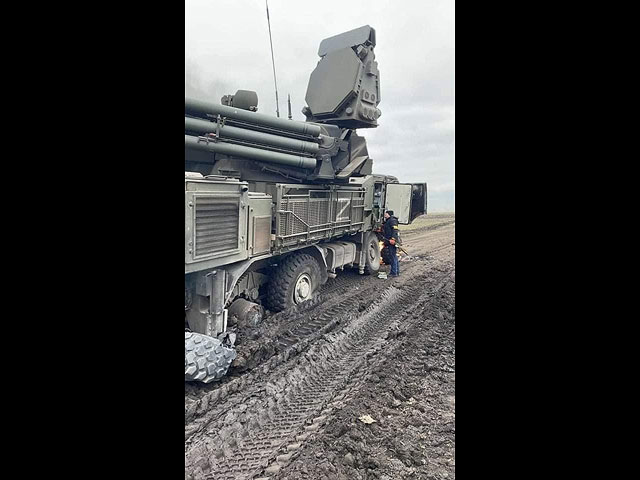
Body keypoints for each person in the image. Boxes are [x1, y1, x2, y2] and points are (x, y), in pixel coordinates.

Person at [382, 210, 400, 277]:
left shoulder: (392, 221)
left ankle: (393, 273)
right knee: (394, 257)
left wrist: (393, 239)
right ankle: (396, 272)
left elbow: (395, 230)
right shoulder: (388, 221)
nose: (384, 214)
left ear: (388, 214)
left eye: (385, 213)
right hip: (389, 241)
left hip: (392, 241)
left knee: (393, 257)